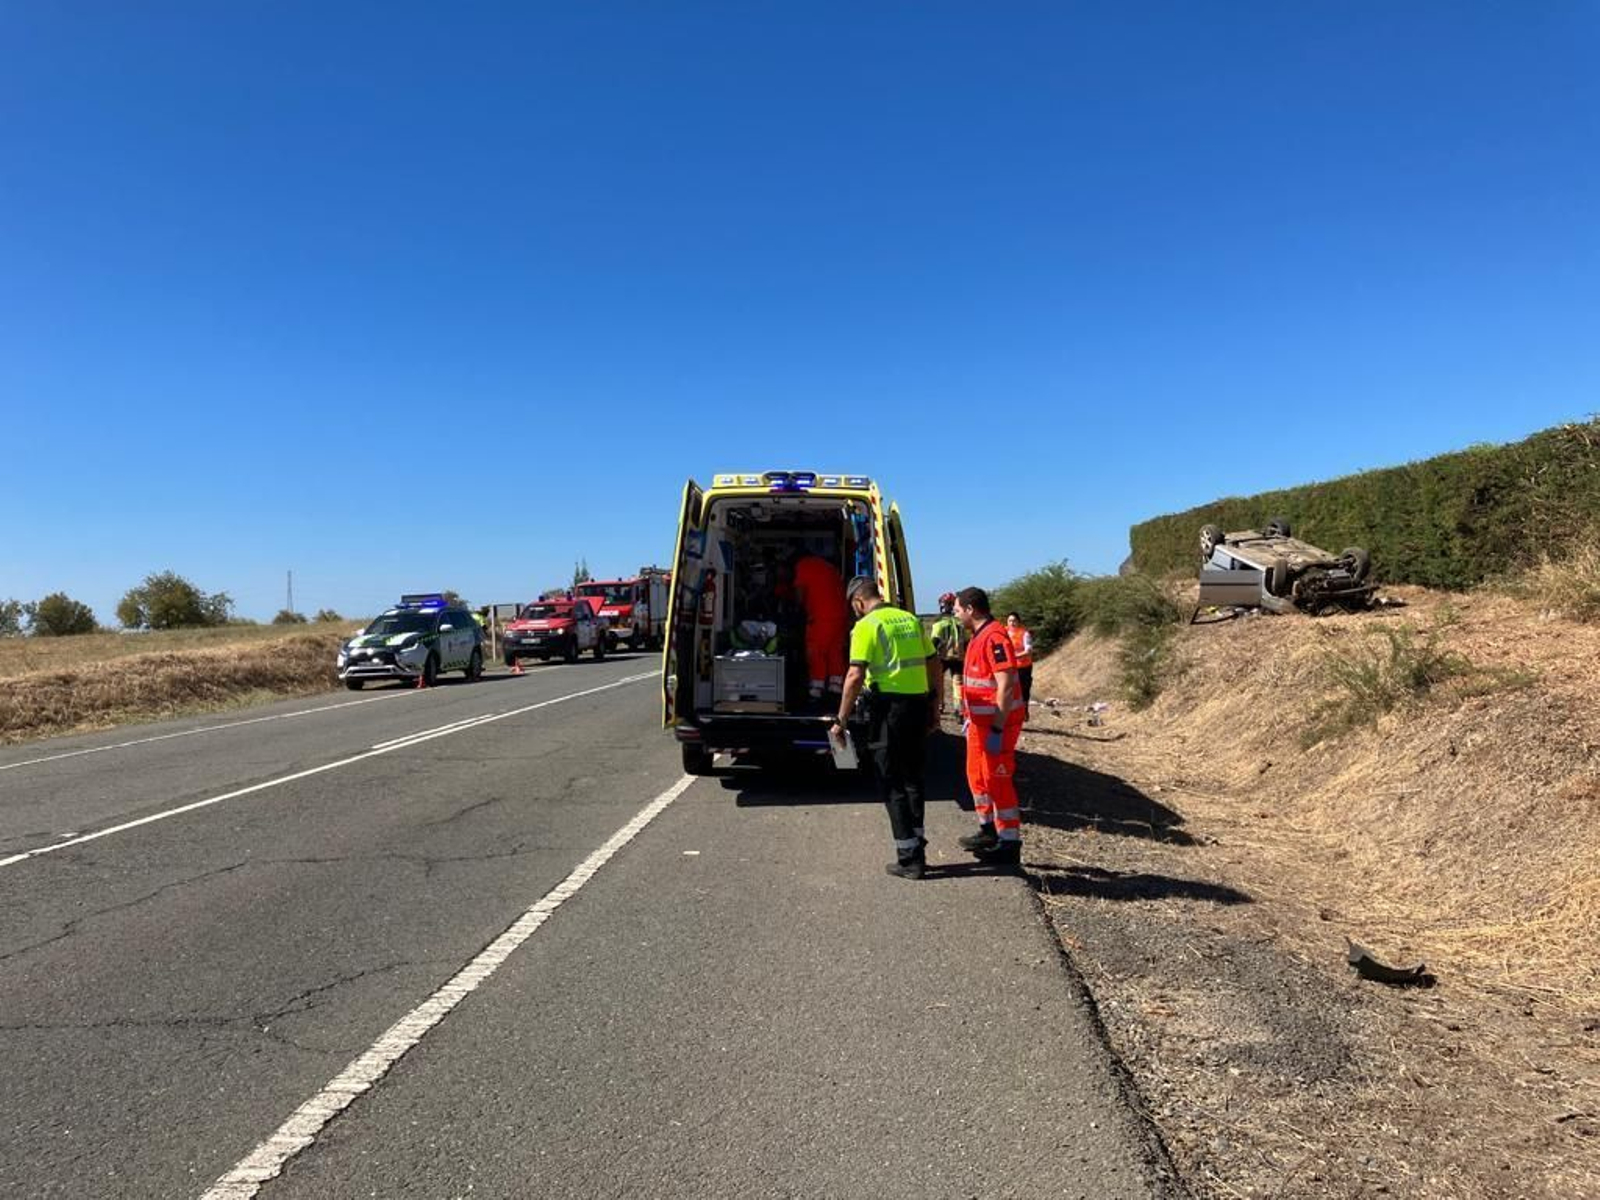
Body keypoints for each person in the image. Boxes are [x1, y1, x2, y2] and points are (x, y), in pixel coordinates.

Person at [831, 575, 943, 880]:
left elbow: (855, 675)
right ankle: (917, 845)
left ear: (858, 601)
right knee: (913, 779)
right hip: (917, 706)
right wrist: (936, 705)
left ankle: (909, 858)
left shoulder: (866, 626)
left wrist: (841, 719)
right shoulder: (909, 619)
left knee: (891, 781)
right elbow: (934, 662)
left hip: (888, 711)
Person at [954, 587, 1026, 867]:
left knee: (998, 780)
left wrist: (997, 728)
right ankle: (988, 829)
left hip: (998, 724)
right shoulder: (978, 635)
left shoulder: (994, 637)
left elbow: (1005, 685)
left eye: (957, 610)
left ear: (970, 609)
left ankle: (1009, 843)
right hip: (980, 723)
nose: (956, 615)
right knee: (977, 776)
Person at [791, 552, 851, 706]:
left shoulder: (803, 565)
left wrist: (796, 609)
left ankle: (816, 690)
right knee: (835, 651)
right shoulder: (829, 567)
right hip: (841, 616)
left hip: (821, 616)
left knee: (816, 651)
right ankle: (835, 688)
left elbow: (799, 593)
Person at [929, 592, 965, 718]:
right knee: (958, 683)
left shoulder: (939, 622)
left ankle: (939, 706)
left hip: (942, 657)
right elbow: (965, 640)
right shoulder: (960, 622)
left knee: (938, 682)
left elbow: (934, 641)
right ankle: (959, 710)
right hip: (958, 657)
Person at [1005, 611, 1034, 719]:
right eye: (1010, 621)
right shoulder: (1003, 632)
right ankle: (1010, 712)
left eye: (1014, 621)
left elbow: (1028, 650)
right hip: (1008, 667)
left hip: (1023, 667)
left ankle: (1024, 710)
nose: (1012, 623)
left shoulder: (1024, 633)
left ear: (1018, 622)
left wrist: (1015, 656)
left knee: (1023, 690)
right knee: (1008, 690)